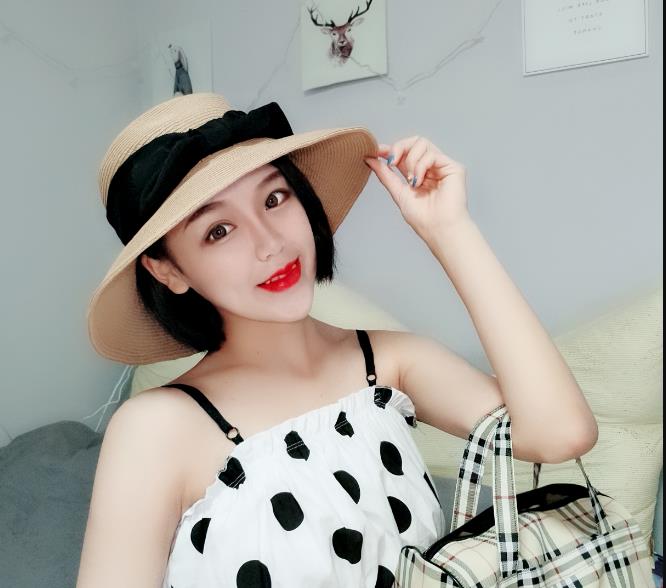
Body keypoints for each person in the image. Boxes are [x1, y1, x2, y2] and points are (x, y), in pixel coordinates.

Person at [76, 92, 598, 588]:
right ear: (168, 270)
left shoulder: (389, 363)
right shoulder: (156, 429)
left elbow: (561, 434)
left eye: (274, 198)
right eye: (218, 230)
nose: (270, 242)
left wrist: (449, 230)